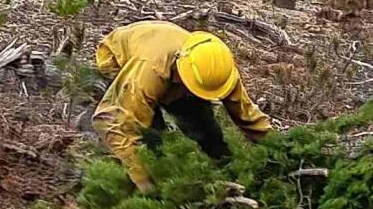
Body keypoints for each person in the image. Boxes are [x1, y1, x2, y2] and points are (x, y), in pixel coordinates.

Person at [92, 22, 275, 189]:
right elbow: (111, 122)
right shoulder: (148, 73)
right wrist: (145, 182)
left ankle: (225, 172)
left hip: (168, 65)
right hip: (120, 59)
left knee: (208, 132)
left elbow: (246, 114)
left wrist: (278, 146)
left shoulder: (217, 69)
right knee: (150, 139)